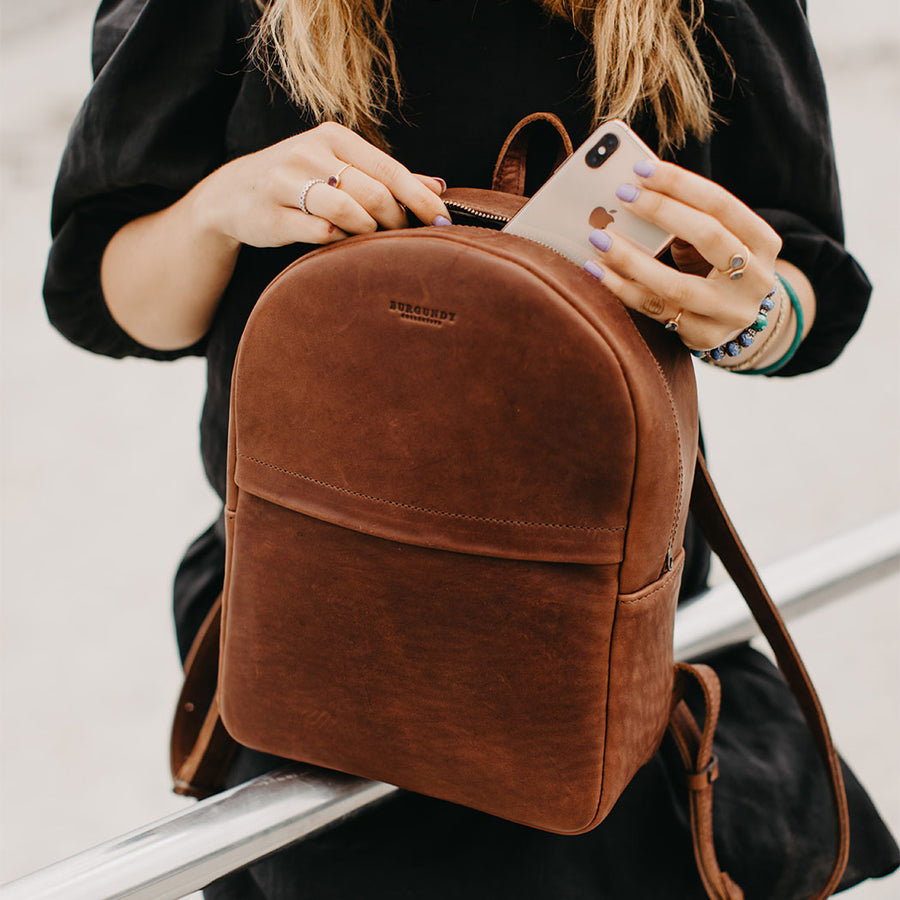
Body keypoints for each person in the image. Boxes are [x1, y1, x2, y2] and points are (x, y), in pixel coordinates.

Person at [44, 0, 899, 897]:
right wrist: (216, 211)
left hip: (602, 619)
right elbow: (104, 294)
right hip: (311, 612)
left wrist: (756, 317)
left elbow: (807, 280)